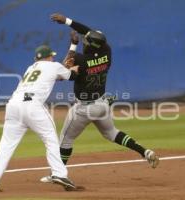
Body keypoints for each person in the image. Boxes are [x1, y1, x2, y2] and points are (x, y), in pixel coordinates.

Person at [41, 13, 159, 183]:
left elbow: (65, 68)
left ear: (90, 46)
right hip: (102, 104)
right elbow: (91, 33)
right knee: (112, 133)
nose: (84, 42)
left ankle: (58, 174)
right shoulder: (106, 50)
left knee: (66, 140)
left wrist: (73, 45)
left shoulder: (81, 59)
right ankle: (144, 151)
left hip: (83, 109)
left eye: (86, 42)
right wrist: (67, 21)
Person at [0, 44, 83, 192]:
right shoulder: (54, 65)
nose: (53, 57)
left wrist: (67, 64)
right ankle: (59, 174)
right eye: (52, 55)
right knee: (50, 138)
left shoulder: (31, 68)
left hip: (13, 106)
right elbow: (72, 76)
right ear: (49, 56)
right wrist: (74, 69)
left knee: (5, 146)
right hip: (32, 106)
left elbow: (55, 76)